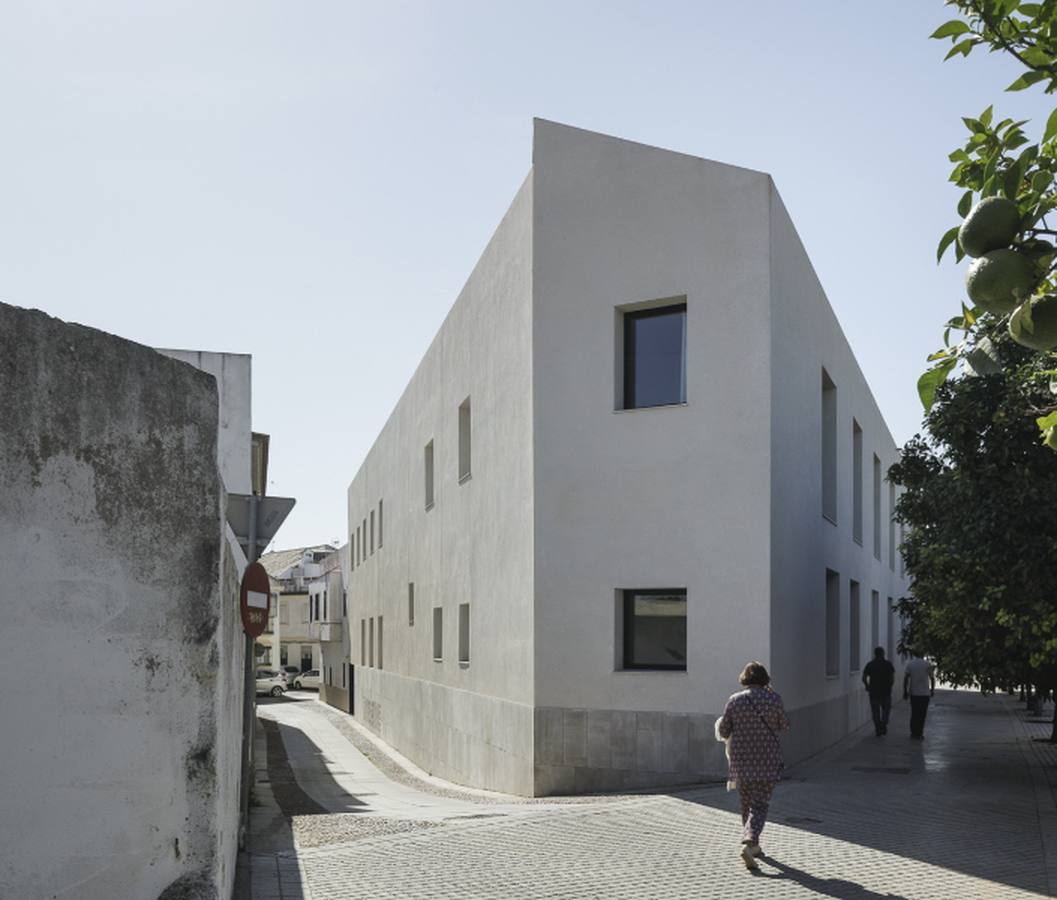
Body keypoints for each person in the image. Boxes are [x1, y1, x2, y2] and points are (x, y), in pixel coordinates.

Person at [715, 661, 790, 870]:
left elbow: (723, 731)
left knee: (746, 803)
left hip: (741, 761)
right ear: (765, 678)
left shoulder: (734, 700)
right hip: (767, 760)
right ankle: (749, 843)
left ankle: (754, 845)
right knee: (760, 805)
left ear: (745, 679)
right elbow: (784, 725)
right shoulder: (773, 699)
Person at [861, 647, 895, 736]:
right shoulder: (888, 664)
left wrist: (867, 686)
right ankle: (883, 724)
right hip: (886, 692)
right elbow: (892, 678)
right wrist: (890, 687)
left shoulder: (870, 664)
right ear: (883, 653)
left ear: (875, 654)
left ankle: (878, 728)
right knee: (886, 711)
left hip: (873, 692)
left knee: (875, 712)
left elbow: (864, 678)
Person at [903, 652, 936, 738]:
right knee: (922, 714)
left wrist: (905, 691)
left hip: (914, 693)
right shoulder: (927, 664)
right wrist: (932, 690)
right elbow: (932, 678)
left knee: (914, 713)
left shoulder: (910, 664)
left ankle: (913, 732)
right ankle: (919, 732)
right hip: (925, 694)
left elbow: (906, 678)